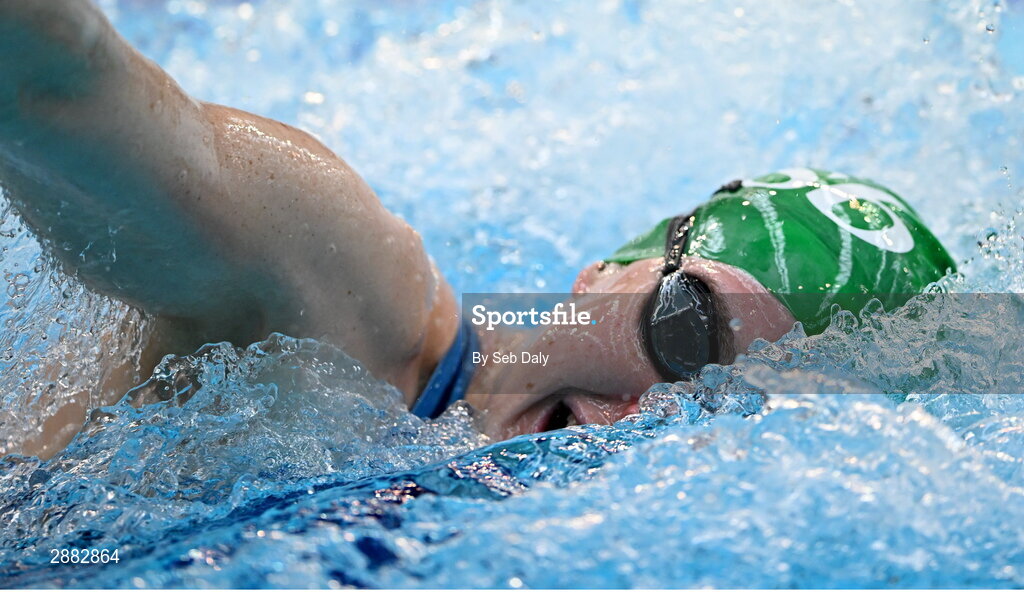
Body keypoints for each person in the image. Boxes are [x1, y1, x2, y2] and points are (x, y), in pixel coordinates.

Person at [0, 1, 956, 458]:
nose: (658, 418)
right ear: (611, 270)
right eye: (688, 333)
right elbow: (60, 81)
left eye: (742, 422)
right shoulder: (343, 295)